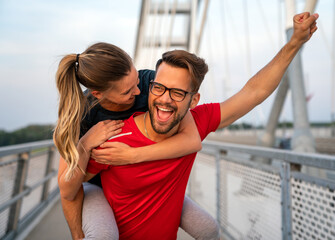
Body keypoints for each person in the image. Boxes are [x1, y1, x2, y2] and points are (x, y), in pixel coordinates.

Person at [83, 12, 319, 240]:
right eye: (159, 88)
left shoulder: (197, 122)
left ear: (193, 100)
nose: (165, 99)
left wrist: (294, 43)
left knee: (209, 229)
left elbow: (255, 92)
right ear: (150, 87)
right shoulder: (114, 135)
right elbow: (74, 183)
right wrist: (84, 144)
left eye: (177, 92)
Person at [54, 42, 219, 239]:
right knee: (103, 236)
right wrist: (85, 143)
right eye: (127, 91)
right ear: (97, 93)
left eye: (136, 81)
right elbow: (67, 190)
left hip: (140, 183)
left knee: (208, 228)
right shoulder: (79, 115)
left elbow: (192, 140)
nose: (139, 91)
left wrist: (133, 155)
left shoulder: (149, 82)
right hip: (98, 185)